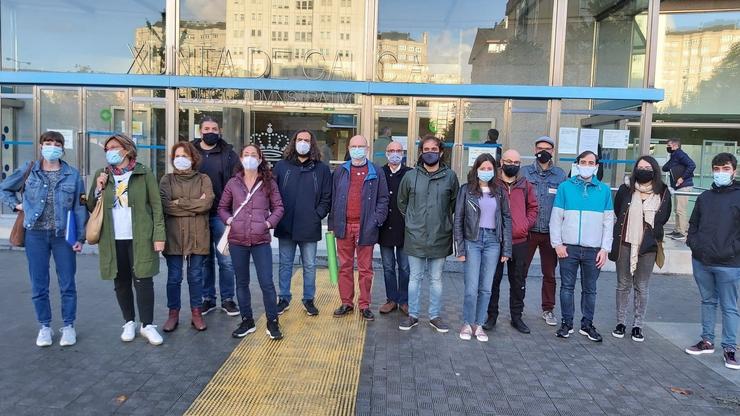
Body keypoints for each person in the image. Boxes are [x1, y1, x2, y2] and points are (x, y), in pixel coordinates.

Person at [0, 131, 87, 347]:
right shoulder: (30, 170)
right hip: (35, 235)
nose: (52, 147)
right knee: (39, 284)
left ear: (63, 148)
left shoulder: (72, 175)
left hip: (63, 236)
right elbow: (4, 189)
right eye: (48, 143)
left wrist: (80, 238)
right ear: (41, 146)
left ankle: (68, 326)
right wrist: (16, 205)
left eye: (57, 144)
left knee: (67, 283)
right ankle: (45, 327)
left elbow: (79, 207)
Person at [87, 134, 166, 345]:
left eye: (114, 147)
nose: (110, 151)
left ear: (127, 149)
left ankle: (147, 325)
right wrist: (98, 188)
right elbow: (91, 207)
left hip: (140, 235)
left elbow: (156, 207)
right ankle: (129, 322)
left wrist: (159, 236)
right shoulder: (101, 174)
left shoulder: (143, 172)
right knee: (120, 280)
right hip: (113, 237)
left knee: (143, 278)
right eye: (107, 149)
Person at [219, 144, 285, 339]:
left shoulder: (268, 183)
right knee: (242, 282)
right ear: (240, 159)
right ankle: (247, 320)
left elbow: (279, 207)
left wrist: (267, 224)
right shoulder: (233, 183)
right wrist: (229, 220)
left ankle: (272, 322)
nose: (249, 157)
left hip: (261, 240)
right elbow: (222, 208)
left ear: (260, 159)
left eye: (253, 155)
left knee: (266, 283)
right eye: (246, 154)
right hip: (237, 240)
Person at [550, 150, 614, 342]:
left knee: (590, 289)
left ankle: (587, 324)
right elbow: (556, 218)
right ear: (577, 165)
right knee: (567, 287)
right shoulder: (565, 188)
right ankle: (566, 323)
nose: (587, 165)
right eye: (583, 162)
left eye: (591, 162)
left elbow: (608, 222)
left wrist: (605, 249)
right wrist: (557, 244)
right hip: (568, 248)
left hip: (593, 249)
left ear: (596, 166)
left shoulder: (604, 191)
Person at [397, 134, 459, 333]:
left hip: (440, 235)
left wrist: (443, 222)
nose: (430, 153)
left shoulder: (450, 176)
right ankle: (413, 315)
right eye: (426, 150)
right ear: (421, 153)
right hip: (415, 236)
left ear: (441, 152)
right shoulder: (410, 176)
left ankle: (434, 316)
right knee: (414, 277)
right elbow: (402, 203)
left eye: (434, 150)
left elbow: (454, 204)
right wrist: (412, 221)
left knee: (436, 279)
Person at [684, 153, 740, 370]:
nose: (720, 172)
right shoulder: (705, 197)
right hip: (703, 261)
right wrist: (695, 245)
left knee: (730, 307)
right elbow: (694, 225)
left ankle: (730, 348)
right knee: (707, 301)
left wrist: (733, 250)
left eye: (725, 168)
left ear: (733, 170)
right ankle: (707, 340)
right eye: (717, 168)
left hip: (730, 264)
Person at [609, 156, 671, 342]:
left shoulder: (663, 192)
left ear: (654, 170)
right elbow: (617, 209)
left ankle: (638, 325)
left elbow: (664, 217)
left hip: (649, 245)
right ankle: (621, 322)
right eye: (640, 167)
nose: (643, 170)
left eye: (648, 167)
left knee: (642, 286)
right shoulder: (625, 189)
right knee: (623, 284)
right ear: (635, 170)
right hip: (625, 242)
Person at [328, 135, 389, 321]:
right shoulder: (340, 171)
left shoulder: (376, 171)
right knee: (344, 267)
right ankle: (346, 302)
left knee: (365, 269)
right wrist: (333, 224)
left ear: (367, 149)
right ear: (348, 148)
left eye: (360, 146)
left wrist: (376, 220)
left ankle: (364, 305)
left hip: (365, 227)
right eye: (353, 146)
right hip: (343, 226)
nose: (357, 149)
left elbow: (383, 198)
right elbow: (333, 197)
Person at [454, 153, 512, 342]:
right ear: (476, 169)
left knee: (486, 288)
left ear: (494, 170)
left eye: (489, 169)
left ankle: (479, 324)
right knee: (471, 288)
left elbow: (506, 219)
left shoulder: (500, 191)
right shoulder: (466, 190)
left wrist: (507, 249)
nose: (486, 172)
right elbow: (458, 221)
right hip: (473, 240)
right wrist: (460, 249)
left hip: (493, 242)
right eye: (482, 168)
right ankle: (467, 322)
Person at [273, 130, 332, 317]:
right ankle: (283, 298)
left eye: (307, 140)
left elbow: (326, 197)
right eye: (300, 140)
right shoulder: (281, 166)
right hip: (286, 224)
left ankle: (308, 299)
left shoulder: (321, 169)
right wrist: (278, 214)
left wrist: (317, 215)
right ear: (294, 142)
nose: (303, 143)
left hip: (309, 224)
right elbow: (273, 193)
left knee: (309, 265)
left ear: (312, 143)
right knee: (285, 264)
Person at [159, 142, 214, 332]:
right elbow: (165, 205)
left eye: (185, 155)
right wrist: (193, 207)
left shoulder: (203, 179)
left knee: (196, 277)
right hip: (173, 235)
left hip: (198, 235)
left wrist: (180, 203)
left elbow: (207, 204)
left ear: (193, 158)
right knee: (174, 277)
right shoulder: (167, 180)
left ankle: (196, 314)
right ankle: (173, 314)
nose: (180, 159)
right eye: (177, 156)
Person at [485, 149, 538, 334]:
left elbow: (534, 208)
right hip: (496, 241)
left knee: (518, 281)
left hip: (519, 241)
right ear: (501, 162)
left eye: (516, 162)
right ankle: (491, 316)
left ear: (520, 164)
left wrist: (525, 224)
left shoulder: (526, 185)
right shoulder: (492, 184)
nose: (512, 165)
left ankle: (517, 317)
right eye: (508, 161)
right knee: (493, 280)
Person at [192, 116, 240, 316]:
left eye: (214, 128)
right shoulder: (191, 152)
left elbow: (237, 181)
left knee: (226, 259)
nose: (210, 131)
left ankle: (228, 299)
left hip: (221, 214)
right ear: (200, 131)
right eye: (206, 128)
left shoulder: (228, 154)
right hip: (199, 215)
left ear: (219, 131)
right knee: (204, 260)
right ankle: (208, 299)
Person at [522, 136, 567, 326]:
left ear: (553, 151)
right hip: (528, 231)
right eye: (540, 148)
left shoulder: (560, 175)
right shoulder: (524, 172)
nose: (543, 152)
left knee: (549, 273)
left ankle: (548, 309)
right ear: (534, 150)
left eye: (547, 149)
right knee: (520, 271)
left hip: (551, 233)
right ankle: (517, 308)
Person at [378, 141, 412, 315]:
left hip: (405, 229)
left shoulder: (410, 174)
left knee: (405, 267)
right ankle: (391, 299)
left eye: (398, 151)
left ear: (403, 153)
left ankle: (404, 300)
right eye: (391, 150)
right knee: (388, 267)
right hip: (384, 228)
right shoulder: (379, 172)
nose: (395, 154)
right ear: (386, 153)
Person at [662, 138, 695, 239]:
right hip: (678, 186)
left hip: (683, 185)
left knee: (681, 210)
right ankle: (677, 230)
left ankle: (682, 232)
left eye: (669, 145)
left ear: (676, 146)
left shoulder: (680, 154)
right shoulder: (674, 156)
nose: (667, 147)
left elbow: (692, 165)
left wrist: (682, 178)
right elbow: (665, 167)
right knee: (677, 209)